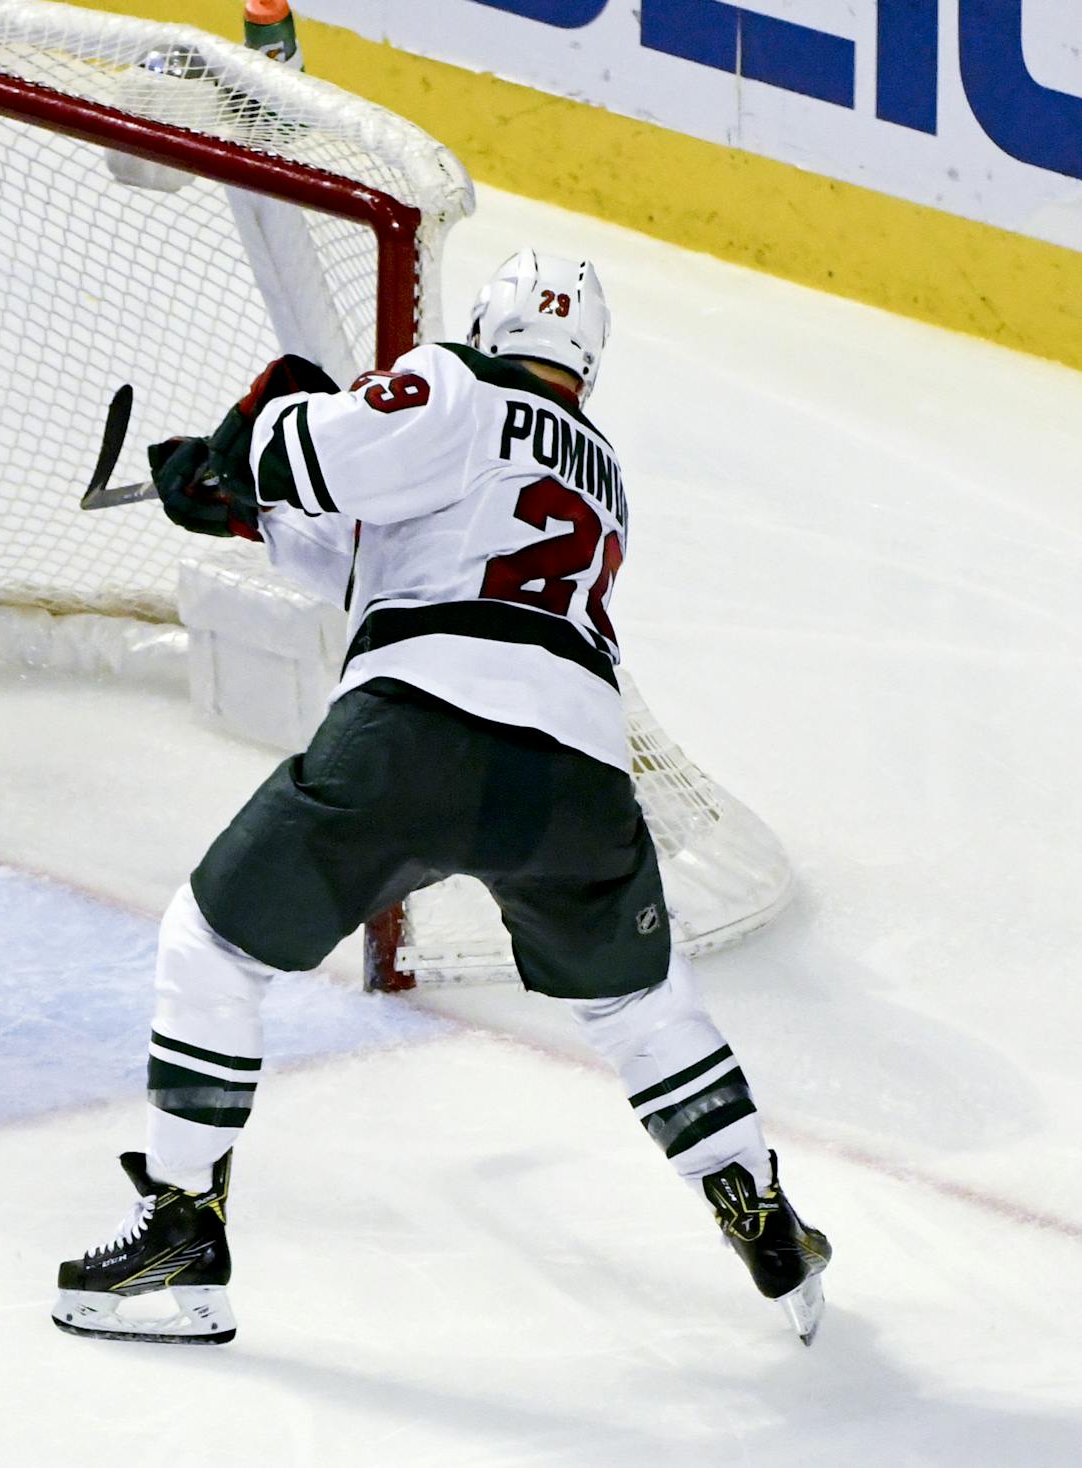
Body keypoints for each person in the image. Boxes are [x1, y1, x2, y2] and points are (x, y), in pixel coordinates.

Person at [51, 250, 832, 1347]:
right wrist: (250, 512)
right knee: (641, 1005)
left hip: (414, 732)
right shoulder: (600, 469)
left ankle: (181, 1234)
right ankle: (759, 1209)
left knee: (210, 947)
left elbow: (306, 444)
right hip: (577, 771)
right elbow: (390, 556)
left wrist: (244, 448)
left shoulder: (455, 382)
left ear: (487, 319)